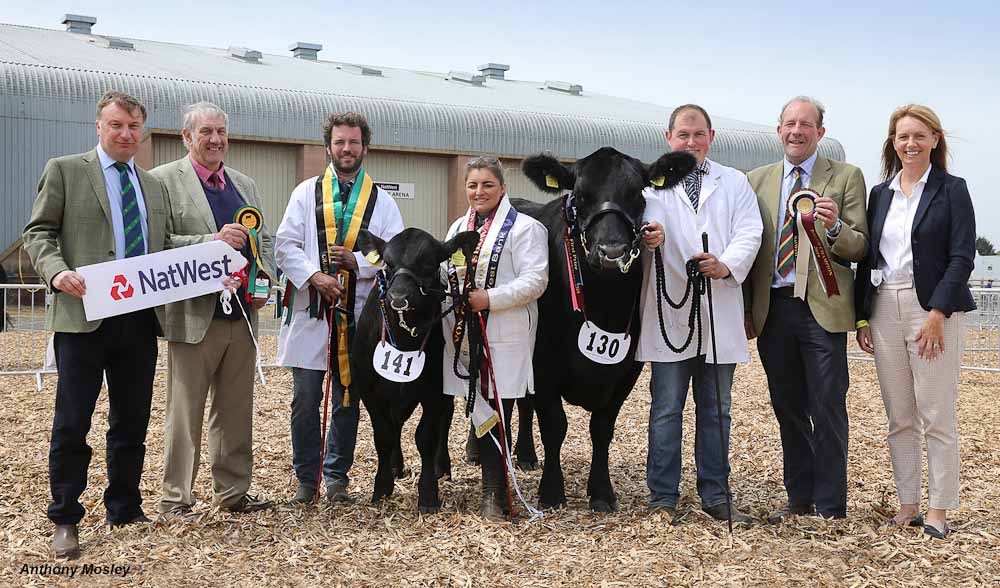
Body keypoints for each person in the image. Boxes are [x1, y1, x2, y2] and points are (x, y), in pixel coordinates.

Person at [22, 91, 169, 558]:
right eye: (116, 125)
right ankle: (65, 515)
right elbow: (38, 232)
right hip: (82, 316)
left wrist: (215, 250)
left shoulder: (153, 186)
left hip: (139, 319)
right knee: (72, 421)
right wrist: (56, 271)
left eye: (133, 127)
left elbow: (168, 244)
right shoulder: (65, 170)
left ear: (141, 132)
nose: (125, 134)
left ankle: (124, 506)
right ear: (99, 127)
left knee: (132, 420)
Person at [744, 96, 869, 522]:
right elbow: (749, 249)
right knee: (788, 407)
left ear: (820, 132)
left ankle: (832, 506)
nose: (796, 131)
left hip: (823, 309)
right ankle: (799, 499)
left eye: (806, 124)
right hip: (774, 310)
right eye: (789, 124)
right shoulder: (756, 180)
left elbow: (859, 246)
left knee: (828, 406)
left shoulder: (847, 177)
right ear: (778, 130)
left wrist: (834, 226)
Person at [854, 104, 975, 539]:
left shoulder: (952, 189)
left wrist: (939, 312)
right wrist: (863, 316)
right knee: (898, 415)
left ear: (935, 140)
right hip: (885, 305)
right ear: (893, 142)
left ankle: (939, 509)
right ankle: (908, 504)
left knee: (937, 415)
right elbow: (870, 257)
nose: (910, 144)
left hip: (932, 310)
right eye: (903, 136)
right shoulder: (879, 194)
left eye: (919, 136)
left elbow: (963, 255)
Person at [638, 105, 762, 524]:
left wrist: (726, 263)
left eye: (698, 134)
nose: (690, 142)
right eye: (682, 135)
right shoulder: (651, 187)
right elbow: (647, 225)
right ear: (668, 137)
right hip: (670, 308)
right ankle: (662, 499)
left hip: (718, 306)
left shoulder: (735, 181)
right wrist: (651, 239)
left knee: (716, 409)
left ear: (711, 136)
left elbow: (751, 230)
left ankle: (716, 495)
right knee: (666, 408)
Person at [151, 102, 275, 519]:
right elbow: (157, 246)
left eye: (221, 131)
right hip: (193, 316)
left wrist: (265, 284)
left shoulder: (244, 185)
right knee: (184, 414)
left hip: (242, 317)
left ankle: (234, 492)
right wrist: (210, 241)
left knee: (236, 411)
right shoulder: (163, 181)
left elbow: (265, 244)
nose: (216, 139)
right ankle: (175, 499)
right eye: (206, 132)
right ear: (187, 137)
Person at [275, 112, 404, 505]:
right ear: (327, 146)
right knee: (305, 398)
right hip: (312, 312)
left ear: (365, 147)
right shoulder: (304, 193)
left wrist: (358, 264)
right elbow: (284, 246)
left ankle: (336, 477)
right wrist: (316, 276)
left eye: (353, 142)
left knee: (347, 398)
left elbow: (395, 256)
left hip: (358, 315)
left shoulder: (382, 202)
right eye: (339, 142)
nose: (346, 149)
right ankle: (305, 477)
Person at [441, 156, 548, 520]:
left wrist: (490, 299)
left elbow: (536, 280)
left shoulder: (526, 229)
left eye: (487, 184)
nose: (478, 191)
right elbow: (446, 270)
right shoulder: (459, 226)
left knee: (496, 406)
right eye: (472, 185)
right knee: (477, 403)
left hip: (505, 332)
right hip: (465, 333)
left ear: (502, 188)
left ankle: (495, 493)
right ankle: (489, 484)